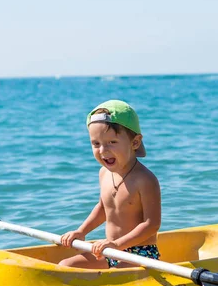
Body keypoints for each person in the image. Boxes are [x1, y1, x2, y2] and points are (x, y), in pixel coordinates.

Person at [59, 100, 161, 269]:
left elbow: (151, 224)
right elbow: (103, 208)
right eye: (96, 144)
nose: (103, 150)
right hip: (110, 251)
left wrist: (117, 244)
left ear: (135, 142)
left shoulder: (145, 179)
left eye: (112, 142)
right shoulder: (104, 173)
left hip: (140, 253)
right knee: (66, 266)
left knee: (114, 275)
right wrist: (81, 232)